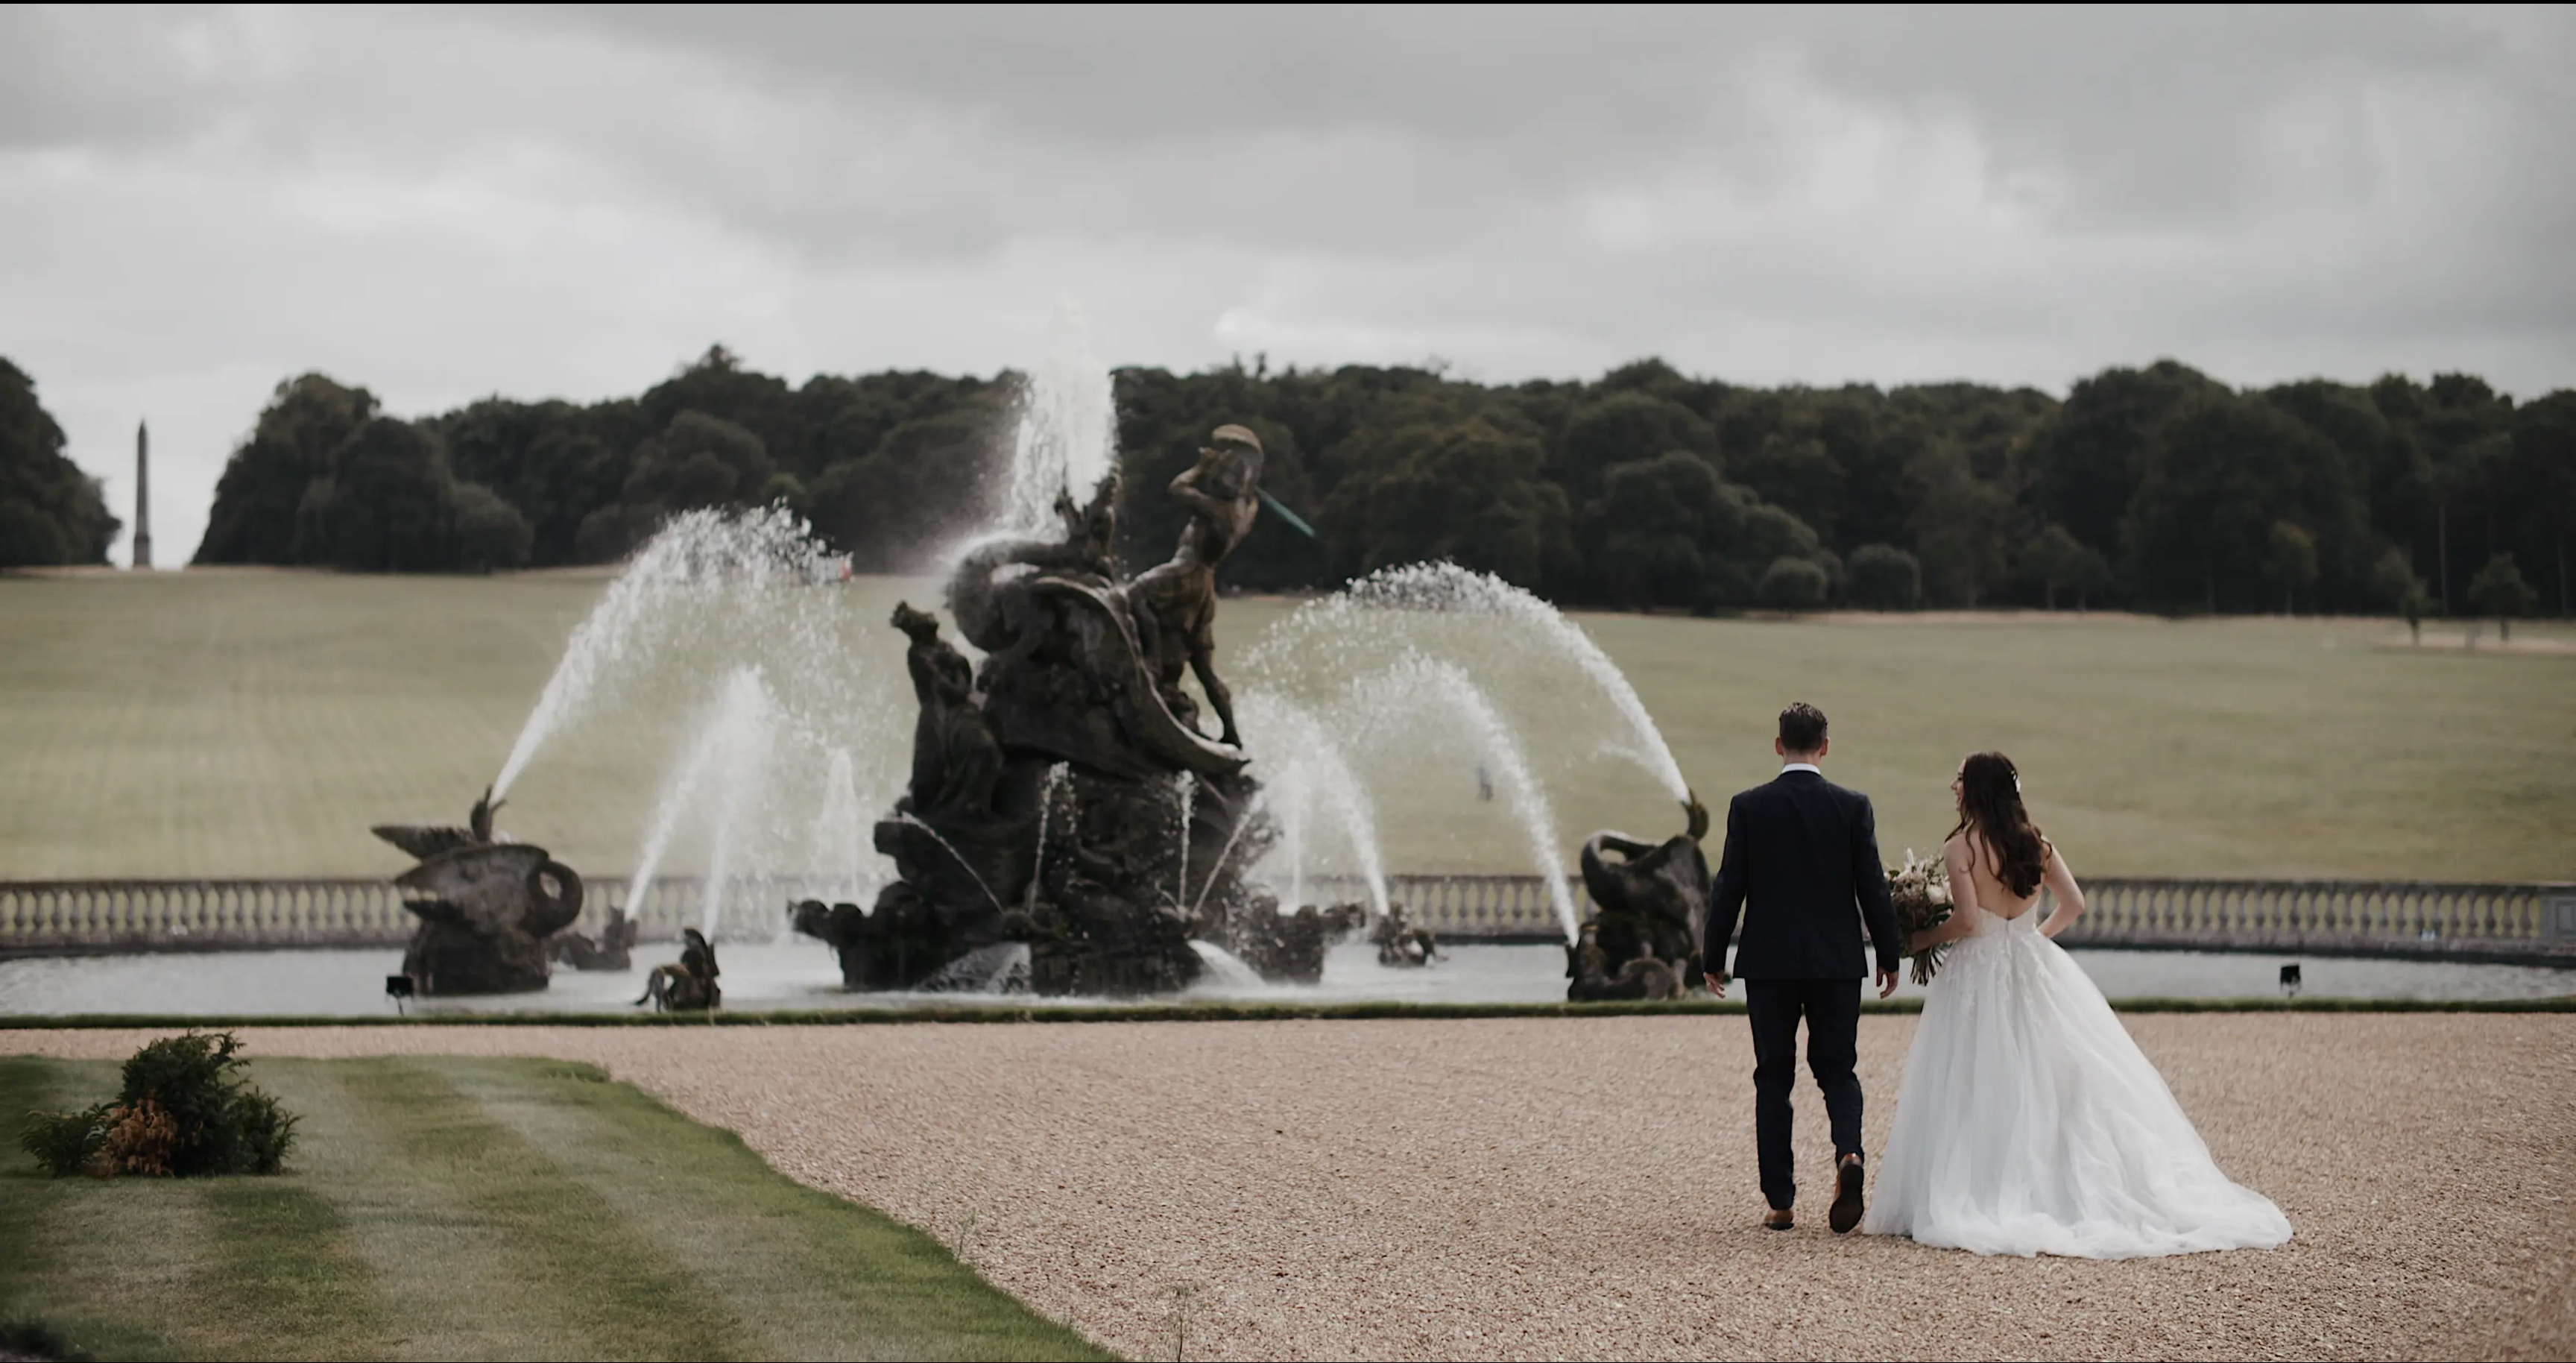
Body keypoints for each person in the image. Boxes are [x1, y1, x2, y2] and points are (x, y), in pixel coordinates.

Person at [1862, 752, 2292, 1257]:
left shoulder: (1962, 848)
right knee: (2049, 1077)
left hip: (1977, 973)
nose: (1952, 786)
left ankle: (1975, 1183)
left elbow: (1968, 923)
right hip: (2031, 964)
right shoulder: (2036, 844)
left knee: (1972, 1076)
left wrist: (1920, 937)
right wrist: (2032, 940)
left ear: (1976, 790)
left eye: (1959, 780)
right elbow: (2075, 904)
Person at [1704, 702, 1901, 1233]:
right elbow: (1872, 886)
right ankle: (1850, 1156)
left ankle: (1781, 1200)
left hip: (1768, 961)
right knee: (1838, 1069)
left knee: (1774, 1075)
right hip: (1836, 960)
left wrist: (1713, 955)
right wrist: (1888, 953)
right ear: (1825, 747)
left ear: (1778, 745)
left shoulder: (1749, 806)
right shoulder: (1852, 806)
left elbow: (1730, 886)